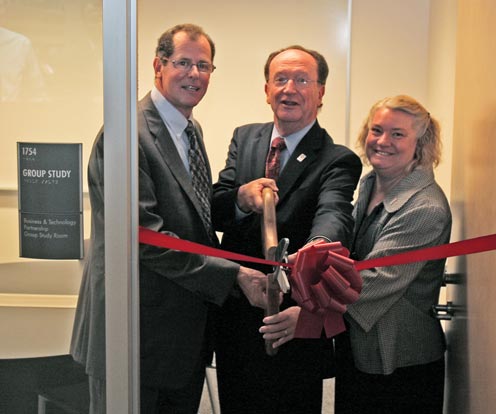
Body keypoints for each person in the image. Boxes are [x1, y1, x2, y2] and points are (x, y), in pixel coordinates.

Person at [70, 23, 268, 414]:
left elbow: (189, 213)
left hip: (181, 340)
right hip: (134, 336)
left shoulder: (189, 130)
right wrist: (233, 274)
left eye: (204, 66)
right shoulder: (126, 134)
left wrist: (240, 201)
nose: (194, 74)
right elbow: (144, 236)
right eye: (183, 63)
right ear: (158, 66)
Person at [212, 45, 362, 413]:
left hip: (295, 321)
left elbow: (333, 215)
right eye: (280, 79)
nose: (289, 88)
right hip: (238, 322)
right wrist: (239, 199)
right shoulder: (244, 137)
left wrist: (317, 249)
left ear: (321, 92)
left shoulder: (337, 159)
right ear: (266, 89)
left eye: (301, 79)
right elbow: (215, 212)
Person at [334, 95, 452, 413]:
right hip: (359, 347)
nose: (382, 141)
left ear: (421, 144)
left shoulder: (425, 208)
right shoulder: (371, 183)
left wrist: (308, 314)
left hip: (401, 360)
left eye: (397, 134)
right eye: (376, 130)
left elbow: (372, 281)